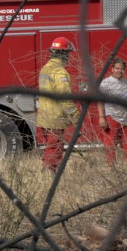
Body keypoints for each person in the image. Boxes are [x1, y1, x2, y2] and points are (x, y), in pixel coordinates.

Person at [37, 36, 79, 171]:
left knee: (50, 147)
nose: (68, 57)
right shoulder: (60, 72)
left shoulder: (45, 68)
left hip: (44, 116)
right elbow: (65, 97)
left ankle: (47, 172)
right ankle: (49, 175)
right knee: (54, 149)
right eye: (67, 53)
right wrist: (75, 115)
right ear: (62, 54)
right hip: (55, 118)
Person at [97, 58, 127, 164]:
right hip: (112, 117)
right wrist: (101, 117)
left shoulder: (125, 82)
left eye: (122, 69)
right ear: (112, 69)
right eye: (117, 68)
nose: (119, 71)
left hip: (125, 117)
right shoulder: (106, 83)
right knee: (110, 142)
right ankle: (111, 164)